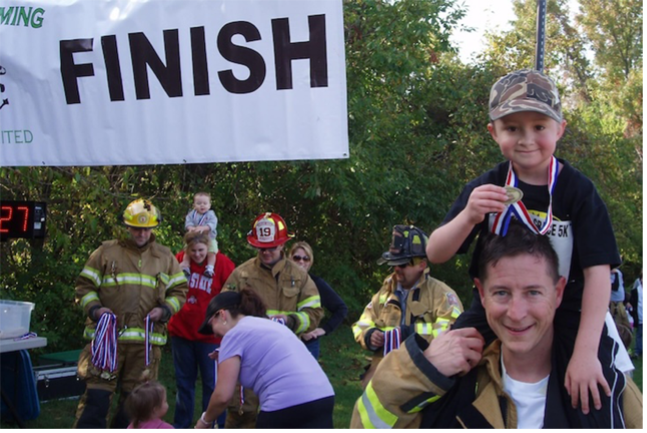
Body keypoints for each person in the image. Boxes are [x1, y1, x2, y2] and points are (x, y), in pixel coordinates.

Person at [426, 69, 631, 428]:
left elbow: (599, 273)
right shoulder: (488, 185)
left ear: (560, 130)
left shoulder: (578, 191)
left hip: (570, 312)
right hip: (494, 308)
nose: (526, 139)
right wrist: (468, 217)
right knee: (447, 367)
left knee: (589, 391)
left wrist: (585, 352)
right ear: (494, 133)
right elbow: (435, 253)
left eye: (539, 127)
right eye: (512, 128)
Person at [351, 222, 643, 429]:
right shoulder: (451, 386)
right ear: (481, 293)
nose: (516, 313)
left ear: (558, 292)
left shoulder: (607, 390)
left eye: (533, 292)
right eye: (501, 292)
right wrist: (422, 369)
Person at [73, 199, 187, 429]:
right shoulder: (106, 253)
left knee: (134, 408)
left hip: (144, 347)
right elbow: (84, 287)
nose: (141, 233)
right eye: (136, 228)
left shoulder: (165, 258)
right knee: (96, 402)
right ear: (127, 226)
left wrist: (165, 310)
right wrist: (96, 309)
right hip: (107, 344)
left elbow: (180, 291)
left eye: (146, 229)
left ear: (153, 228)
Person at [220, 212, 324, 428]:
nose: (266, 252)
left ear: (282, 245)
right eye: (261, 248)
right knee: (242, 414)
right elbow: (223, 311)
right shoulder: (241, 274)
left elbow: (314, 313)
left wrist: (290, 320)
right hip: (248, 359)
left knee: (283, 414)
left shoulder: (300, 276)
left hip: (283, 359)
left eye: (271, 247)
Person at [194, 289, 335, 429]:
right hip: (323, 397)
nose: (214, 335)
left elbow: (222, 396)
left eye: (211, 325)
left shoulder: (233, 335)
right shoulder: (269, 325)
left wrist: (205, 421)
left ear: (222, 315)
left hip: (286, 405)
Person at [352, 225, 463, 389]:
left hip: (423, 378)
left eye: (403, 264)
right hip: (382, 377)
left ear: (422, 265)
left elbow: (453, 330)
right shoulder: (385, 292)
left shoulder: (442, 295)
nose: (397, 268)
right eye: (394, 263)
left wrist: (409, 334)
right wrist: (370, 336)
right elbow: (361, 324)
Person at [167, 232, 235, 429]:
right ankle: (182, 423)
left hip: (210, 336)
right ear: (187, 249)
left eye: (201, 251)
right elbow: (166, 286)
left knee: (212, 384)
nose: (197, 255)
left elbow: (232, 294)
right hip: (181, 332)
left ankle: (213, 422)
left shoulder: (222, 264)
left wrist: (224, 323)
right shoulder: (180, 261)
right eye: (193, 251)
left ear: (209, 247)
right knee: (184, 382)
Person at [289, 241, 348, 359]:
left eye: (306, 259)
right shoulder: (280, 282)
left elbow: (341, 309)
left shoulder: (317, 284)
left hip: (308, 345)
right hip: (285, 342)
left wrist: (324, 330)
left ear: (310, 262)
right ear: (289, 259)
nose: (301, 262)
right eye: (297, 258)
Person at [180, 192, 219, 278]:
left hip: (209, 238)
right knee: (187, 249)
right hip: (194, 238)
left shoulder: (211, 214)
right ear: (194, 205)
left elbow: (212, 224)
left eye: (205, 203)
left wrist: (204, 228)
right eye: (199, 203)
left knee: (212, 251)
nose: (202, 205)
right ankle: (186, 265)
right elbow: (188, 223)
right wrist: (190, 228)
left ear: (209, 205)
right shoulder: (191, 214)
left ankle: (210, 268)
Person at [629, 270, 643, 358]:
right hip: (639, 315)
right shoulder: (635, 291)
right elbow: (632, 302)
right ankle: (638, 350)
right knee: (639, 334)